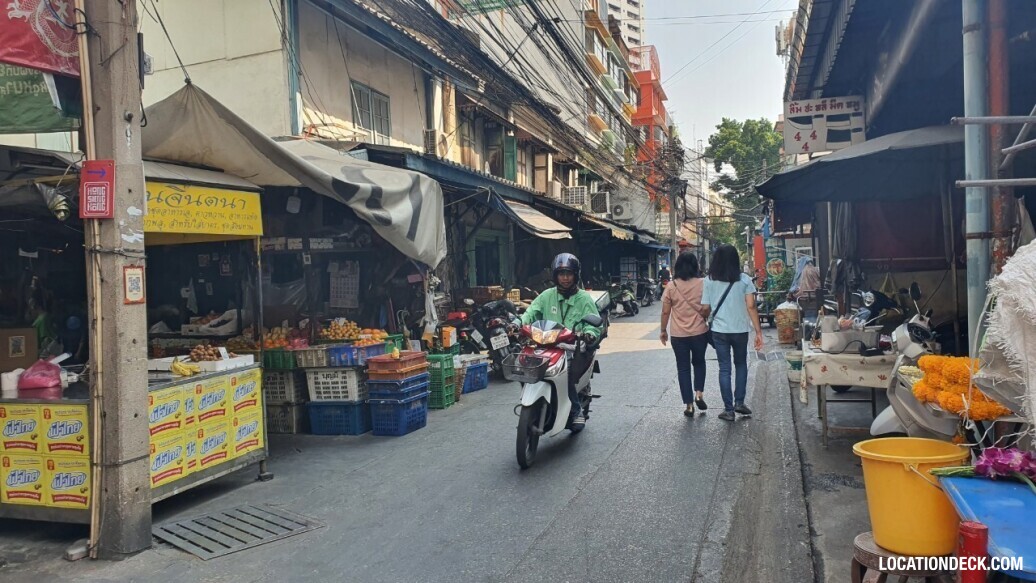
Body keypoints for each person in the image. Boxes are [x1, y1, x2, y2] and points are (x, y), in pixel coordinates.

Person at [521, 253, 603, 429]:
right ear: (555, 276)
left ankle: (575, 410)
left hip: (573, 347)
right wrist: (516, 324)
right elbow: (530, 313)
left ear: (575, 275)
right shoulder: (546, 296)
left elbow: (594, 324)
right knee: (526, 366)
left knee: (566, 375)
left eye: (569, 274)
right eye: (561, 274)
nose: (565, 278)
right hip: (547, 345)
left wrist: (589, 333)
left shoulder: (584, 298)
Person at [702, 244, 765, 421]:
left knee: (724, 368)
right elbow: (751, 306)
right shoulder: (744, 280)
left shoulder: (709, 280)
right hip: (740, 330)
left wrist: (705, 316)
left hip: (719, 331)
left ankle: (728, 410)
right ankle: (739, 402)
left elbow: (705, 308)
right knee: (741, 364)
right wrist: (758, 332)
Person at [659, 252, 710, 417]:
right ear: (696, 266)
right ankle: (699, 394)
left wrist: (662, 331)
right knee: (699, 362)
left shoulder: (671, 286)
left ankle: (689, 405)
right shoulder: (703, 284)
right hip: (700, 333)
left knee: (683, 368)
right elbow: (707, 308)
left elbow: (665, 312)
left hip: (678, 335)